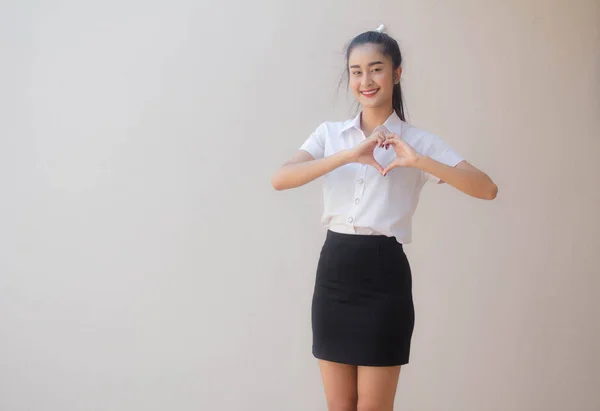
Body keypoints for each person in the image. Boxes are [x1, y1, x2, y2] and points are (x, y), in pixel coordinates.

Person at [271, 24, 498, 411]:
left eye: (376, 69)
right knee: (339, 407)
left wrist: (419, 162)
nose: (366, 80)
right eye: (356, 71)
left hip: (384, 278)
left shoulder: (418, 142)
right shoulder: (330, 135)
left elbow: (486, 187)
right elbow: (281, 179)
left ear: (396, 73)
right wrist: (348, 154)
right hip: (334, 275)